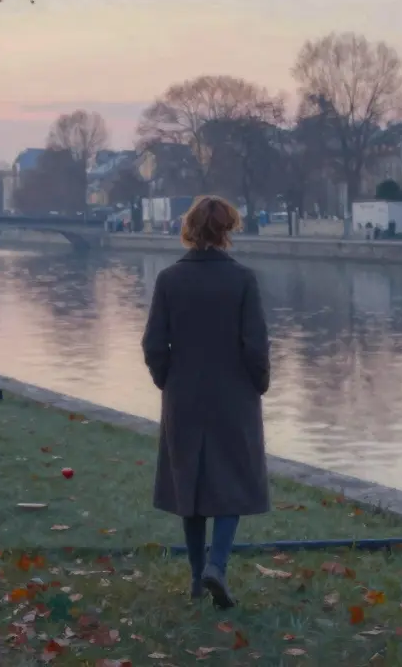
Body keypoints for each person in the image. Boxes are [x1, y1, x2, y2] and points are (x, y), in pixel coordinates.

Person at [141, 195, 271, 609]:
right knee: (232, 479)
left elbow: (153, 344)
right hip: (233, 393)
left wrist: (168, 380)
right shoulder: (243, 280)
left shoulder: (168, 279)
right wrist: (258, 384)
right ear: (227, 230)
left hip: (184, 394)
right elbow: (256, 345)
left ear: (190, 229)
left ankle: (197, 577)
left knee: (189, 484)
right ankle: (218, 564)